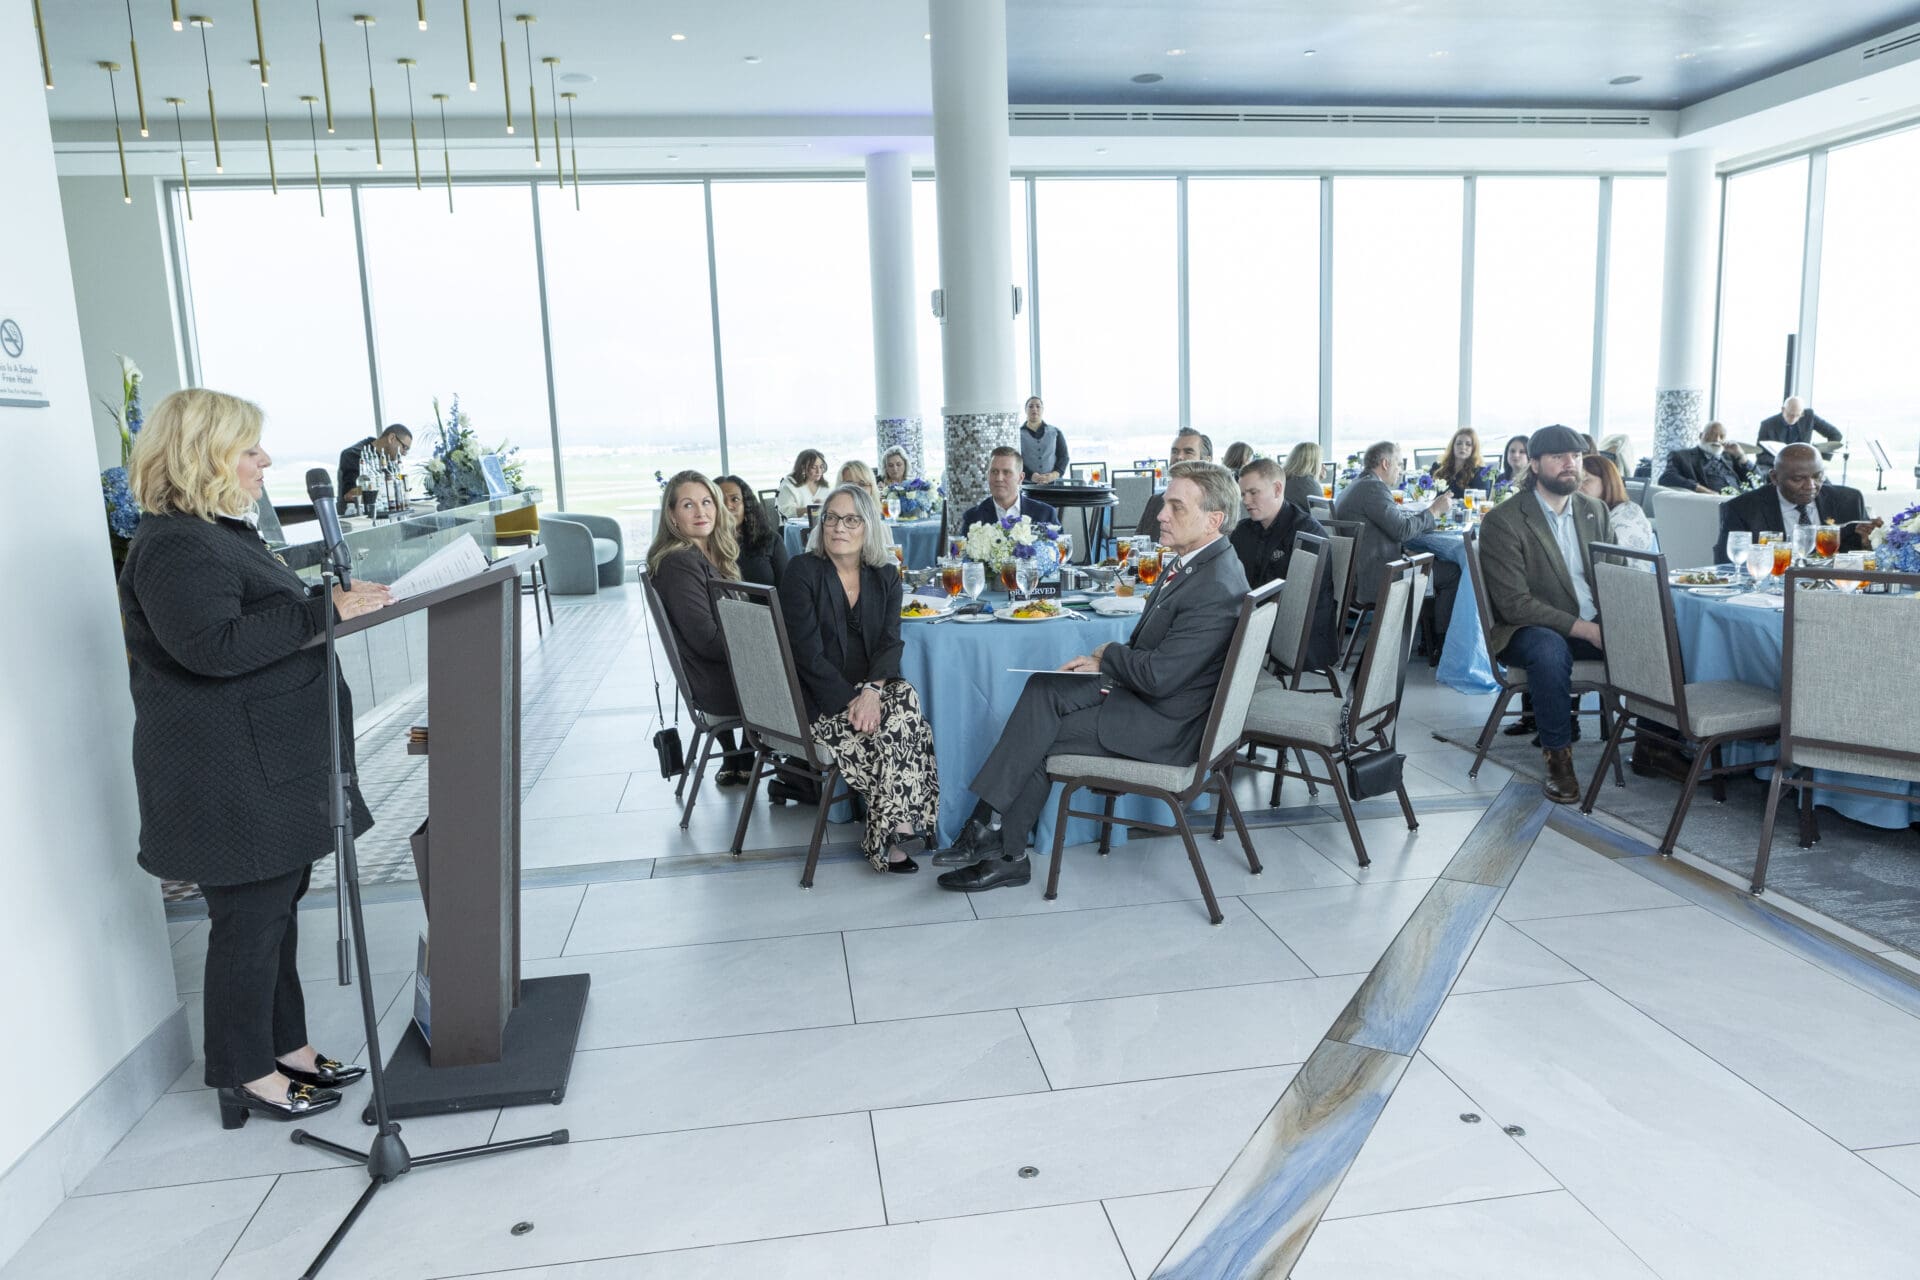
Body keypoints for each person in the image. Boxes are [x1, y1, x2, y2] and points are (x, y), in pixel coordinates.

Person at [120, 389, 390, 1130]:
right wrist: (321, 610)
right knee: (249, 920)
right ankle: (245, 1074)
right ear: (200, 455)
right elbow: (211, 647)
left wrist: (329, 603)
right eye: (248, 448)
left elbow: (251, 620)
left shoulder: (218, 533)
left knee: (277, 910)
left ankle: (287, 1048)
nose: (264, 460)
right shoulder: (175, 545)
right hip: (226, 775)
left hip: (265, 763)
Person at [935, 461, 1250, 892]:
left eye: (1176, 507)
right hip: (1153, 700)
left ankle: (1004, 851)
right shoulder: (1198, 562)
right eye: (1165, 504)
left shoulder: (1215, 585)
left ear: (1213, 519)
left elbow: (1160, 676)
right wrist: (1106, 664)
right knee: (1044, 687)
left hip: (1165, 727)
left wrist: (1107, 655)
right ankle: (987, 827)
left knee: (1038, 735)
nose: (1160, 514)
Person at [778, 484, 940, 872]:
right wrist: (854, 702)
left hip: (868, 689)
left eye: (851, 520)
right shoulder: (802, 571)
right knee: (905, 728)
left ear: (868, 526)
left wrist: (871, 691)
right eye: (831, 518)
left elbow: (889, 642)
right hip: (819, 698)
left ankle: (889, 834)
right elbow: (806, 656)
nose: (839, 527)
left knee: (905, 698)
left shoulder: (885, 574)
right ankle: (899, 831)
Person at [1477, 425, 1614, 804]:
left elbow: (1614, 574)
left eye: (1576, 456)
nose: (1571, 463)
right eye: (1558, 457)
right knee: (1549, 650)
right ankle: (1558, 760)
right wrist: (1586, 629)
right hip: (1526, 628)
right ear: (1534, 465)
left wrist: (1627, 620)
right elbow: (1514, 604)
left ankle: (1658, 744)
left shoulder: (1595, 511)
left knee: (1665, 631)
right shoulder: (1505, 520)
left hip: (1592, 621)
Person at [649, 472, 756, 785]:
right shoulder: (678, 563)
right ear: (672, 515)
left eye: (707, 502)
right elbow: (708, 641)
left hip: (728, 675)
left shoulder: (708, 554)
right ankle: (809, 777)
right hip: (720, 684)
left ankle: (753, 755)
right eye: (688, 505)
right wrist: (766, 647)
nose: (701, 512)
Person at [1232, 458, 1338, 672]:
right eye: (1243, 494)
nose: (1246, 501)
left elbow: (1297, 599)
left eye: (1253, 492)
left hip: (1297, 632)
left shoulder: (1307, 533)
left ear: (1277, 489)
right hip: (1257, 614)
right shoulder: (1243, 530)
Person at [1712, 442, 1880, 562]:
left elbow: (1863, 557)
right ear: (1774, 477)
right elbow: (1727, 564)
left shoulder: (1849, 501)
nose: (1811, 486)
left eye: (1817, 476)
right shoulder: (1743, 509)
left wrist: (1869, 544)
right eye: (1798, 479)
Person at [1334, 442, 1450, 613]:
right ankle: (1431, 631)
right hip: (1381, 579)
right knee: (1451, 573)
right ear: (1385, 463)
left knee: (1431, 562)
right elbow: (1403, 530)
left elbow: (1377, 532)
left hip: (1357, 577)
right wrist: (1434, 511)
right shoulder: (1374, 488)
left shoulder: (1357, 484)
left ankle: (1419, 626)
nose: (1400, 470)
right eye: (1399, 464)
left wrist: (1404, 551)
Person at [959, 446, 1058, 532]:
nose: (999, 478)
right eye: (994, 472)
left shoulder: (1045, 514)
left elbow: (1061, 547)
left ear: (1020, 478)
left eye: (1006, 472)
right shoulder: (973, 518)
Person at [716, 474, 788, 587]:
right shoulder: (704, 547)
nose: (728, 506)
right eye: (720, 500)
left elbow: (786, 588)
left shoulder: (770, 540)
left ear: (746, 505)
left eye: (735, 499)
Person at [1136, 430, 1212, 535]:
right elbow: (1139, 540)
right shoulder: (1156, 502)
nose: (1179, 457)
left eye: (1188, 452)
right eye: (1175, 452)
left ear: (1206, 461)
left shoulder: (1214, 504)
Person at [1580, 454, 1654, 552]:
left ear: (1607, 482)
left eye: (1585, 480)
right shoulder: (1585, 511)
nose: (1577, 486)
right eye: (1575, 481)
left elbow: (1616, 557)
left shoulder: (1628, 516)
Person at [1660, 421, 1753, 493]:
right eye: (1712, 434)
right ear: (1701, 436)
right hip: (1709, 503)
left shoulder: (1730, 458)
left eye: (1722, 436)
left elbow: (1757, 481)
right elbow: (1667, 478)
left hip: (1738, 502)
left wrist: (1741, 455)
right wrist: (1704, 491)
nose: (1717, 439)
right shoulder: (1682, 456)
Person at [336, 423, 412, 511]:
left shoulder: (386, 459)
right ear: (391, 438)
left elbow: (393, 483)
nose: (404, 453)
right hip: (358, 516)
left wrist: (400, 486)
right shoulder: (354, 455)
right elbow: (350, 495)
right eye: (405, 448)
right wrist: (384, 489)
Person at [1757, 396, 1841, 466]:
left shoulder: (1809, 417)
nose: (1794, 419)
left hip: (1803, 466)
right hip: (1778, 467)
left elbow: (1835, 435)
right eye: (1791, 415)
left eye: (1798, 415)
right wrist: (1782, 462)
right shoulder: (1767, 425)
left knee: (1824, 481)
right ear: (1783, 409)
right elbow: (1761, 456)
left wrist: (1819, 457)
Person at [1018, 396, 1068, 483]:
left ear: (1042, 410)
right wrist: (1031, 476)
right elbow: (1015, 460)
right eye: (1031, 406)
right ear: (1025, 410)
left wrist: (1053, 475)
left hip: (1053, 484)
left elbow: (1064, 457)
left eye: (1038, 406)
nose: (1034, 409)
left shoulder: (1056, 432)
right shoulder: (1017, 434)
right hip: (1027, 484)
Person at [1431, 427, 1490, 494]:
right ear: (1453, 446)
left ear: (1474, 448)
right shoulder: (1437, 467)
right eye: (1459, 443)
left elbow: (1481, 498)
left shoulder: (1480, 473)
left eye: (1468, 444)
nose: (1463, 447)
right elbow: (1427, 495)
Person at [776, 449, 830, 519]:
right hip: (793, 524)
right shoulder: (789, 485)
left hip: (818, 524)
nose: (819, 471)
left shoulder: (823, 486)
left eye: (821, 467)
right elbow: (786, 511)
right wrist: (810, 509)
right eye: (814, 467)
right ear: (803, 467)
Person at [1281, 442, 1324, 510]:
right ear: (1315, 462)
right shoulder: (1308, 483)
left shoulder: (1284, 478)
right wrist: (1315, 483)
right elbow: (1323, 511)